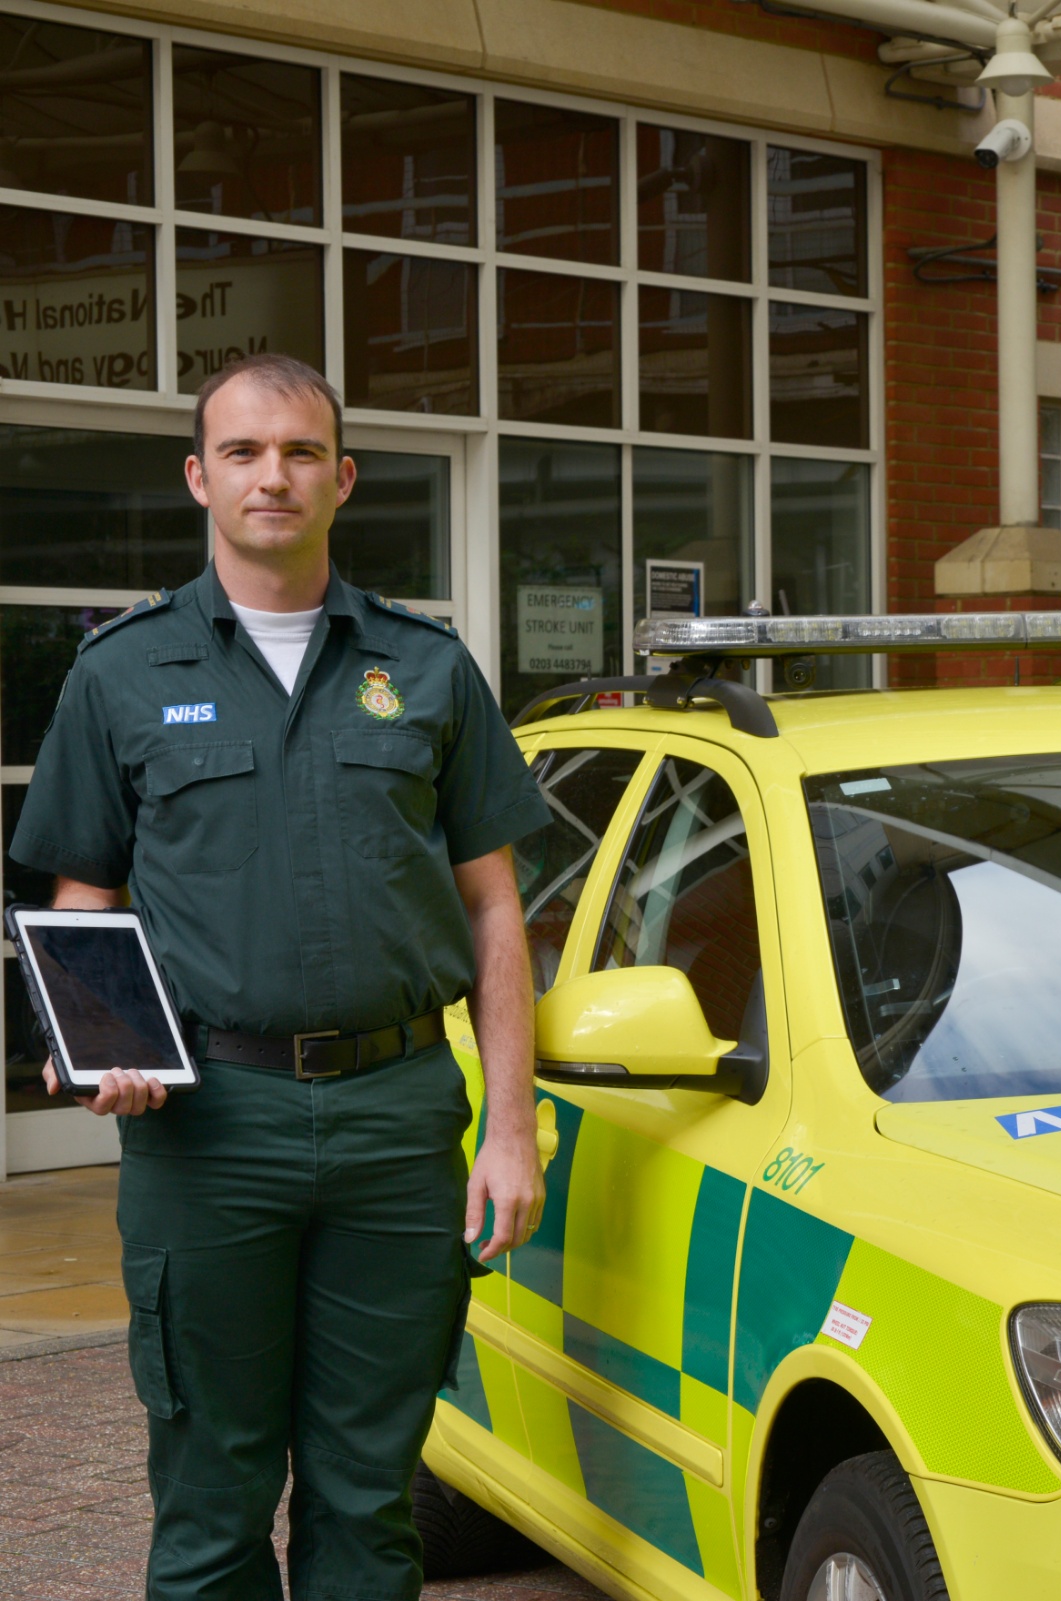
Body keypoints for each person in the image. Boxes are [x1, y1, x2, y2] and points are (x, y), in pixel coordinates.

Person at [12, 353, 551, 1601]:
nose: (275, 475)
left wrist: (510, 1128)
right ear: (200, 477)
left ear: (342, 477)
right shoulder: (121, 671)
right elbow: (82, 893)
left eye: (302, 451)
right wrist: (92, 1038)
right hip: (211, 1126)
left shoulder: (426, 668)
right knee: (211, 1492)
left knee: (372, 1497)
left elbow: (493, 909)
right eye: (246, 452)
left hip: (397, 1119)